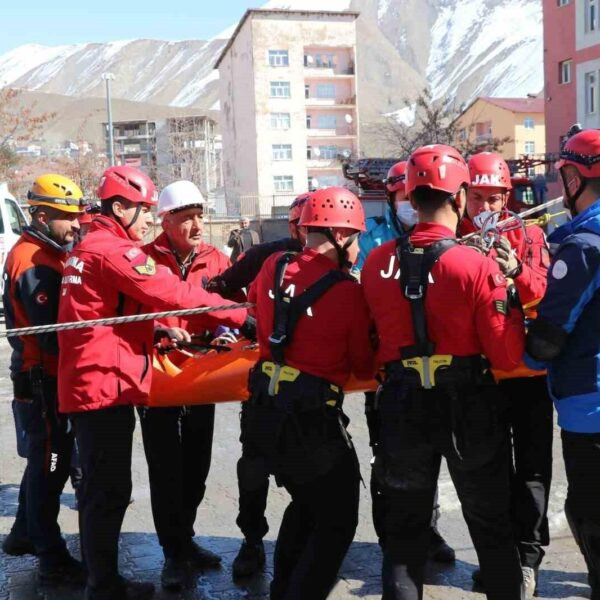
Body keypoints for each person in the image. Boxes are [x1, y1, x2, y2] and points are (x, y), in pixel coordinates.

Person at [57, 166, 248, 600]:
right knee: (107, 492)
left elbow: (108, 315)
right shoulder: (113, 250)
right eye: (143, 209)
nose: (146, 218)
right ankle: (103, 585)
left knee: (109, 489)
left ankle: (105, 579)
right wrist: (243, 314)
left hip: (105, 381)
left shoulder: (91, 247)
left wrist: (154, 331)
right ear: (119, 207)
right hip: (105, 386)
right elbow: (174, 294)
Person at [361, 144, 526, 600]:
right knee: (491, 527)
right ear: (460, 197)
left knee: (403, 538)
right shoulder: (476, 266)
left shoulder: (376, 265)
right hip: (467, 405)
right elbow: (506, 354)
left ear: (411, 199)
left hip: (400, 404)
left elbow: (368, 343)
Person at [244, 186, 374, 599]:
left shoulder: (273, 268)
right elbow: (364, 365)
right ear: (340, 236)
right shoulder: (347, 293)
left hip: (266, 412)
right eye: (355, 239)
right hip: (312, 420)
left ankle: (282, 589)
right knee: (337, 518)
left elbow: (254, 313)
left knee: (304, 504)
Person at [354, 160, 455, 564]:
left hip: (441, 370)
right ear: (395, 198)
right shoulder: (372, 241)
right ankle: (391, 535)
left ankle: (427, 530)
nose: (408, 204)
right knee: (388, 457)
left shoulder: (450, 236)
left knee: (435, 454)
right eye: (400, 197)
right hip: (390, 372)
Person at [462, 152, 552, 597]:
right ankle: (499, 557)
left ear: (506, 198)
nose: (484, 209)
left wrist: (514, 271)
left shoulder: (529, 233)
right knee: (488, 470)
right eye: (476, 198)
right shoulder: (454, 238)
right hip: (481, 374)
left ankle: (529, 557)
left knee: (533, 470)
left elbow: (546, 293)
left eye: (493, 199)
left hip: (528, 372)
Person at [207, 193, 310, 578]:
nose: (311, 235)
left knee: (313, 465)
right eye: (305, 226)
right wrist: (242, 323)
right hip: (265, 375)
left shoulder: (339, 256)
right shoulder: (266, 255)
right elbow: (218, 289)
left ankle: (307, 537)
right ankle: (251, 541)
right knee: (254, 466)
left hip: (314, 381)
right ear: (295, 226)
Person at [139, 180, 228, 590]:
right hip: (157, 379)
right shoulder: (141, 259)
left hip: (203, 377)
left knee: (197, 465)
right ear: (166, 219)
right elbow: (125, 313)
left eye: (200, 216)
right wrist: (158, 329)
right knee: (165, 469)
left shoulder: (217, 259)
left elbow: (235, 308)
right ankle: (173, 552)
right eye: (187, 218)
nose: (196, 225)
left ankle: (186, 538)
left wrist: (228, 333)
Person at [526, 128, 600, 600]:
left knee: (589, 511)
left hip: (590, 405)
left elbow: (549, 339)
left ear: (574, 177)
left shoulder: (585, 246)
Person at [2, 174, 86, 585]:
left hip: (37, 378)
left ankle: (22, 534)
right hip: (41, 382)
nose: (76, 225)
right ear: (40, 215)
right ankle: (51, 555)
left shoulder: (45, 253)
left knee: (42, 461)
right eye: (66, 217)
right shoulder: (33, 262)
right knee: (51, 465)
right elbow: (52, 336)